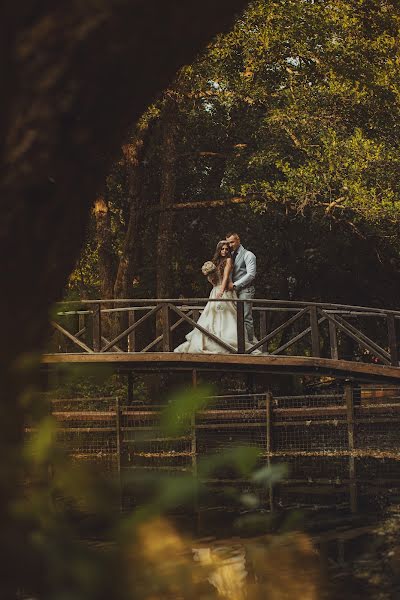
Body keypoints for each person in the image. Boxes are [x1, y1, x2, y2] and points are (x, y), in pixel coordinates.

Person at [174, 240, 259, 354]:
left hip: (225, 292)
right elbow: (214, 281)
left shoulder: (229, 261)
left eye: (226, 249)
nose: (224, 251)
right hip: (215, 291)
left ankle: (228, 343)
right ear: (218, 250)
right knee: (211, 317)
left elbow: (225, 278)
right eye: (222, 249)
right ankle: (212, 341)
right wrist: (210, 275)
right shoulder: (217, 262)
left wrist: (221, 290)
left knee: (228, 317)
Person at [225, 232, 256, 343]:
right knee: (232, 317)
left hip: (245, 290)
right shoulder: (229, 255)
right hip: (232, 292)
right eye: (228, 243)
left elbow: (251, 274)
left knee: (246, 317)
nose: (230, 245)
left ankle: (251, 345)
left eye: (232, 242)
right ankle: (239, 344)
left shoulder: (248, 255)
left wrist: (234, 285)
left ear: (238, 240)